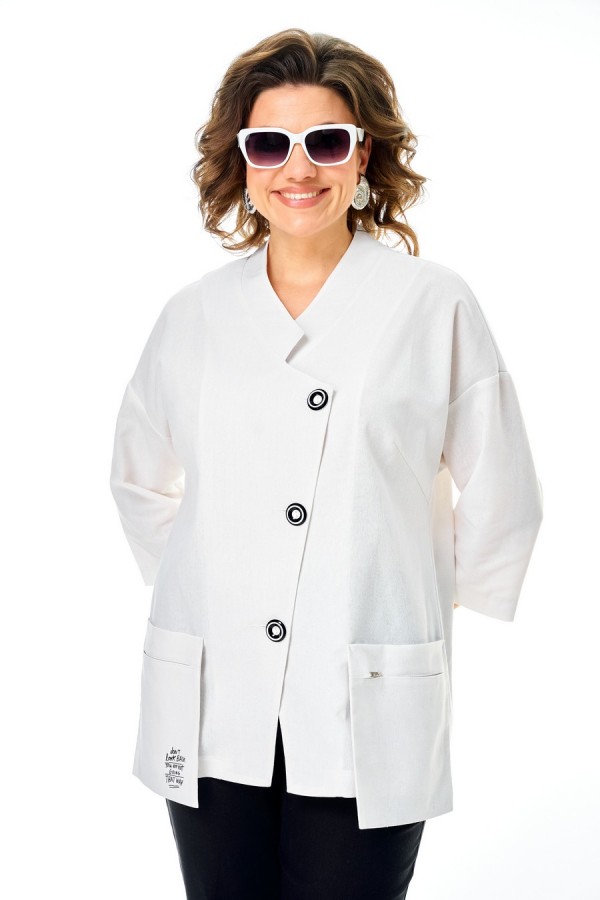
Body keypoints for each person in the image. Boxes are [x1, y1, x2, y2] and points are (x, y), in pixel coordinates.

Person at [109, 28, 544, 900]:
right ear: (242, 162)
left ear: (363, 155)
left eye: (327, 141)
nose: (298, 169)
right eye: (271, 144)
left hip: (365, 692)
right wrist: (223, 582)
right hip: (213, 691)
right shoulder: (192, 316)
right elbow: (137, 479)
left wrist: (404, 587)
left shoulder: (433, 304)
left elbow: (506, 494)